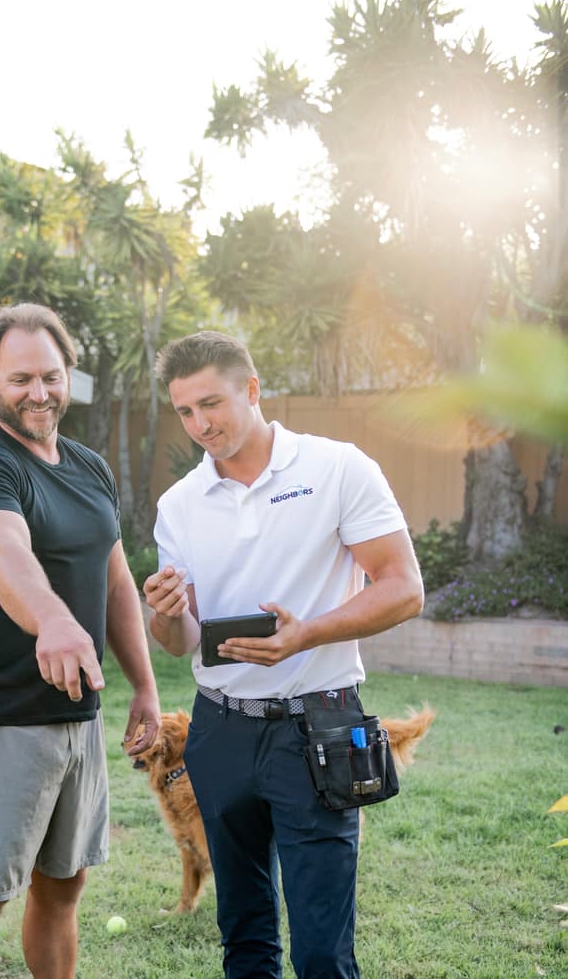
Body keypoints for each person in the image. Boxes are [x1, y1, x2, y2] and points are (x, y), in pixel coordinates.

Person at [143, 331, 424, 979]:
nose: (199, 424)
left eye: (211, 402)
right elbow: (180, 639)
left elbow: (404, 587)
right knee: (244, 940)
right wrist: (164, 609)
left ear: (252, 388)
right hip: (218, 729)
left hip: (319, 726)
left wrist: (306, 634)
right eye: (184, 411)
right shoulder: (178, 505)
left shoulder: (337, 467)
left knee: (322, 951)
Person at [0, 303, 160, 979]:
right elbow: (3, 551)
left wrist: (144, 685)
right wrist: (54, 620)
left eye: (50, 376)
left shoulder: (88, 467)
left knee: (62, 889)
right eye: (20, 377)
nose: (38, 392)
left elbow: (116, 579)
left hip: (76, 717)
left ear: (70, 376)